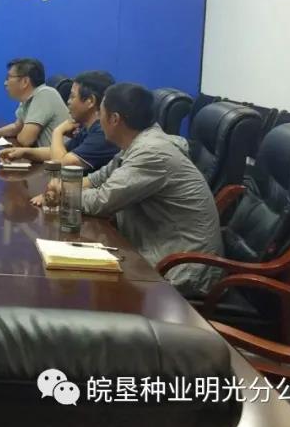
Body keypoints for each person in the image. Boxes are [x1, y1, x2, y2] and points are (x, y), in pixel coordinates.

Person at [34, 83, 223, 296]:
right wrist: (62, 187)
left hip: (181, 268)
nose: (98, 119)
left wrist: (63, 194)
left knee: (74, 282)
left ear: (114, 119)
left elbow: (101, 201)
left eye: (101, 113)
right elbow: (97, 179)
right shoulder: (137, 144)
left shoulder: (152, 153)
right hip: (154, 249)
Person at [0, 70, 118, 172]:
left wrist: (58, 131)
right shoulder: (86, 128)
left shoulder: (102, 133)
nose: (68, 102)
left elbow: (62, 164)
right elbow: (54, 153)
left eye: (72, 96)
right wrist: (23, 152)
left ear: (90, 101)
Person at [0, 58, 70, 148]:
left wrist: (21, 133)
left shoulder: (44, 94)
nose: (5, 83)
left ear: (25, 81)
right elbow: (17, 127)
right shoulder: (28, 98)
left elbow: (26, 140)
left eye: (9, 77)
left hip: (60, 160)